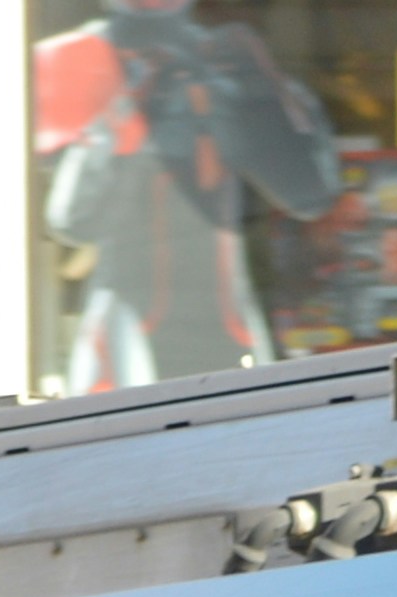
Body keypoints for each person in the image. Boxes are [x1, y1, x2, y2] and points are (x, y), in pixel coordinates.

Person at [35, 4, 340, 389]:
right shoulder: (75, 60)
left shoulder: (221, 61)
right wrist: (119, 128)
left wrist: (263, 91)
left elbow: (310, 195)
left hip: (224, 324)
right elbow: (70, 221)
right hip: (130, 323)